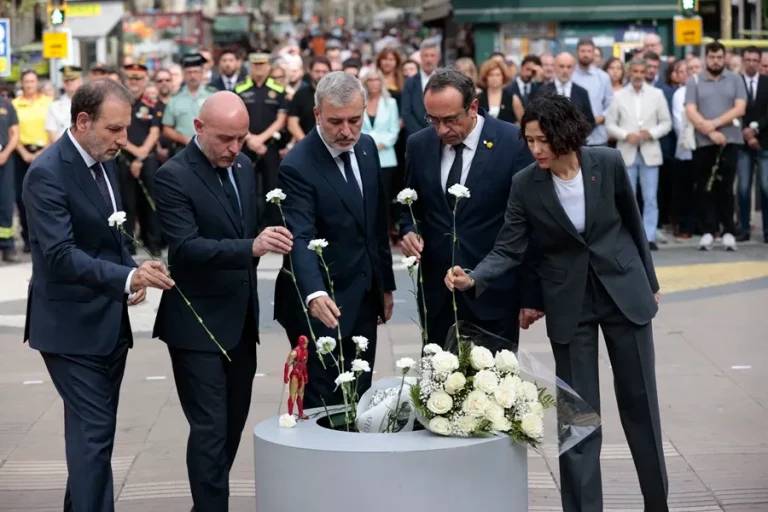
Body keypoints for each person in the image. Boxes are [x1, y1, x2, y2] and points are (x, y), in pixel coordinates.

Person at [446, 91, 668, 512]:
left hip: (625, 293)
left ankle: (658, 505)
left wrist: (650, 283)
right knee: (578, 419)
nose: (535, 149)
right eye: (529, 141)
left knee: (641, 409)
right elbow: (508, 248)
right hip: (570, 304)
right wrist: (473, 276)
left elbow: (634, 225)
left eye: (542, 140)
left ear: (565, 134)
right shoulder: (525, 184)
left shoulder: (608, 163)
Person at [21, 79, 175, 512]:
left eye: (125, 129)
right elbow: (60, 256)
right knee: (93, 434)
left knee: (94, 436)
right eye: (114, 130)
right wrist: (127, 280)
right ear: (83, 121)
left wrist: (130, 270)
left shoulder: (105, 160)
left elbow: (111, 236)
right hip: (69, 329)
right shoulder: (46, 173)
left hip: (107, 324)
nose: (122, 140)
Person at [152, 91, 293, 512]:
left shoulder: (245, 167)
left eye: (241, 137)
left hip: (240, 322)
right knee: (210, 428)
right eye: (225, 139)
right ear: (198, 129)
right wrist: (249, 247)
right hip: (195, 324)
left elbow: (248, 221)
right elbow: (186, 248)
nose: (235, 148)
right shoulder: (173, 176)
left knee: (230, 428)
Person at [274, 72, 396, 409]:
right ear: (317, 115)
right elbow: (300, 237)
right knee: (325, 404)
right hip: (321, 302)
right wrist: (314, 293)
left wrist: (385, 286)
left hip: (364, 296)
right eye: (335, 121)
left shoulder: (368, 148)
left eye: (355, 120)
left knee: (360, 395)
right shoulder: (297, 165)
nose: (346, 131)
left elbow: (376, 225)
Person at [400, 67, 539, 352]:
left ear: (473, 107)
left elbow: (530, 224)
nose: (441, 130)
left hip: (494, 292)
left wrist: (531, 295)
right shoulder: (419, 144)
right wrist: (410, 230)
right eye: (433, 119)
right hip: (437, 295)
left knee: (494, 390)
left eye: (450, 120)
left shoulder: (512, 143)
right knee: (438, 386)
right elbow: (410, 205)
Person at [685, 41, 747, 251]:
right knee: (704, 187)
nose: (716, 61)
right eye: (712, 57)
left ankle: (728, 230)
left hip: (729, 141)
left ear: (725, 57)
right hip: (703, 142)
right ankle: (708, 231)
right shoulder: (694, 80)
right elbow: (691, 111)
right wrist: (709, 131)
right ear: (706, 58)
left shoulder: (735, 79)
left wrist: (715, 124)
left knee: (727, 187)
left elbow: (739, 108)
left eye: (719, 57)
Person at [605, 57, 672, 250]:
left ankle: (649, 237)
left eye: (642, 72)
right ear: (629, 73)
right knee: (628, 197)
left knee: (650, 197)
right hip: (626, 152)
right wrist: (626, 135)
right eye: (635, 72)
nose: (638, 76)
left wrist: (650, 133)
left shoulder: (657, 94)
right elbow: (610, 125)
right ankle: (629, 236)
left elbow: (666, 123)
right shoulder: (618, 96)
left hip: (650, 151)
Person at [117, 63, 162, 256]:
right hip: (124, 159)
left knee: (149, 201)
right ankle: (128, 245)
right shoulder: (118, 105)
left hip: (148, 160)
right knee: (127, 203)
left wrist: (141, 156)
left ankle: (153, 243)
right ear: (125, 81)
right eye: (131, 79)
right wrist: (135, 154)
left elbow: (154, 132)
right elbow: (117, 131)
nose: (134, 83)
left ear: (145, 81)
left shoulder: (151, 105)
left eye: (138, 79)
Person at [13, 69, 52, 252]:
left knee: (45, 195)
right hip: (21, 153)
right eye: (26, 81)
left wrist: (42, 152)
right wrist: (24, 153)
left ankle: (45, 237)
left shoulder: (47, 102)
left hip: (45, 151)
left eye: (32, 81)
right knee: (22, 197)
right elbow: (13, 132)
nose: (29, 85)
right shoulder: (14, 104)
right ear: (22, 83)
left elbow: (51, 128)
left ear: (37, 83)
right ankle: (27, 237)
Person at [361, 69, 400, 237]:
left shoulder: (390, 103)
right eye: (370, 80)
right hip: (363, 154)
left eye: (377, 80)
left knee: (384, 199)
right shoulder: (359, 102)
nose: (374, 83)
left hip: (386, 156)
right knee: (366, 196)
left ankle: (384, 233)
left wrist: (381, 144)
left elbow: (394, 129)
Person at [736, 46, 768, 243]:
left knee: (766, 188)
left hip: (764, 142)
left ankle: (767, 230)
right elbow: (732, 108)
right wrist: (745, 132)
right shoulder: (735, 82)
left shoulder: (766, 82)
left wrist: (755, 132)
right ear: (743, 60)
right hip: (741, 142)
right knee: (743, 188)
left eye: (755, 60)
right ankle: (744, 228)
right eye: (748, 59)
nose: (751, 63)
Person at [162, 53, 218, 151]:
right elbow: (166, 129)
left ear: (202, 73)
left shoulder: (213, 95)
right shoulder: (175, 99)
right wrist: (185, 139)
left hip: (210, 148)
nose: (192, 75)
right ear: (183, 74)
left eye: (196, 72)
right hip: (183, 148)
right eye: (189, 72)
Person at [572, 38, 613, 147]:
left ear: (593, 53)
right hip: (574, 137)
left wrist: (602, 117)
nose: (586, 54)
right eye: (583, 51)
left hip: (598, 137)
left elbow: (611, 104)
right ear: (577, 52)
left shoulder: (603, 77)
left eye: (589, 51)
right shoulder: (570, 76)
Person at [542, 53, 595, 128]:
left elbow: (590, 121)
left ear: (574, 68)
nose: (565, 70)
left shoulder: (582, 93)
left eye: (569, 67)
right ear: (555, 67)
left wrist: (578, 136)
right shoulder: (543, 91)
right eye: (561, 66)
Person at [287, 57, 331, 142]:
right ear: (310, 72)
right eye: (317, 71)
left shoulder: (337, 94)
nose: (320, 75)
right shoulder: (300, 94)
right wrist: (306, 143)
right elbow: (292, 123)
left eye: (324, 72)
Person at [402, 39, 440, 137]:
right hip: (415, 136)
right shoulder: (410, 82)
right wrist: (421, 134)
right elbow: (406, 112)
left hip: (440, 134)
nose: (429, 59)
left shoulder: (445, 81)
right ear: (420, 57)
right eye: (425, 55)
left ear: (438, 57)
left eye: (432, 55)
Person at [0, 89, 18, 262]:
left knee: (5, 204)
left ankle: (7, 246)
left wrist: (5, 154)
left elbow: (15, 134)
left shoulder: (6, 104)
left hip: (4, 161)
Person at [477, 59, 522, 124]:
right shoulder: (479, 97)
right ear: (485, 77)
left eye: (497, 75)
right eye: (491, 75)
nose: (494, 78)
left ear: (503, 77)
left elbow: (522, 121)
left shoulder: (512, 98)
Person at [46, 66, 83, 143]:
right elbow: (52, 133)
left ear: (80, 81)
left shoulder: (90, 102)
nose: (69, 82)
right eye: (66, 80)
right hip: (62, 148)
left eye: (72, 79)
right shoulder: (55, 105)